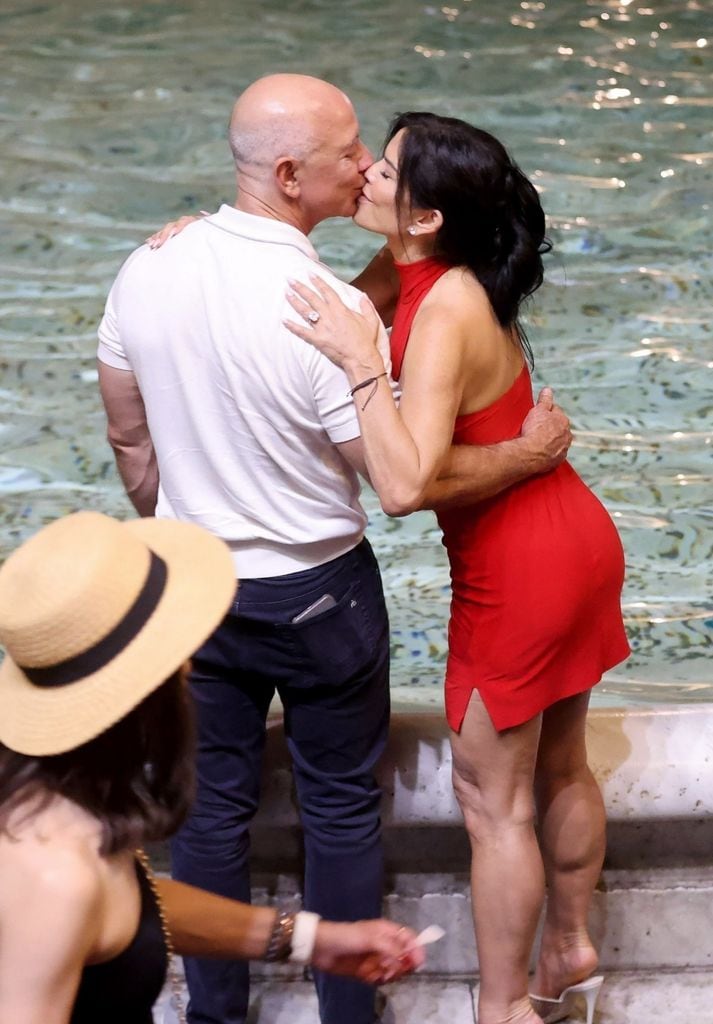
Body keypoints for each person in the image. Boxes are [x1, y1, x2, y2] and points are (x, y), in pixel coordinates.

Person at [97, 75, 572, 1024]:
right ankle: (350, 1015)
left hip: (201, 591)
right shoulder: (330, 313)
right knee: (342, 809)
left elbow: (129, 437)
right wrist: (522, 454)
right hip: (321, 599)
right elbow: (400, 482)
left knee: (211, 813)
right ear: (286, 173)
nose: (364, 167)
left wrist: (178, 526)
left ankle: (215, 1015)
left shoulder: (146, 268)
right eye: (350, 152)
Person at [284, 112, 631, 1024]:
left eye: (384, 170)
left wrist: (365, 368)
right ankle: (567, 945)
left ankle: (505, 1006)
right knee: (560, 763)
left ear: (427, 215)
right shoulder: (421, 272)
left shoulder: (440, 313)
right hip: (577, 542)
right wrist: (201, 240)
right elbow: (318, 296)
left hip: (519, 571)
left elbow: (405, 485)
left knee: (490, 800)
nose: (362, 172)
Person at [0, 511, 425, 1024]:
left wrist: (313, 939)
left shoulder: (58, 798)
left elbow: (129, 906)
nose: (192, 668)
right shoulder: (56, 879)